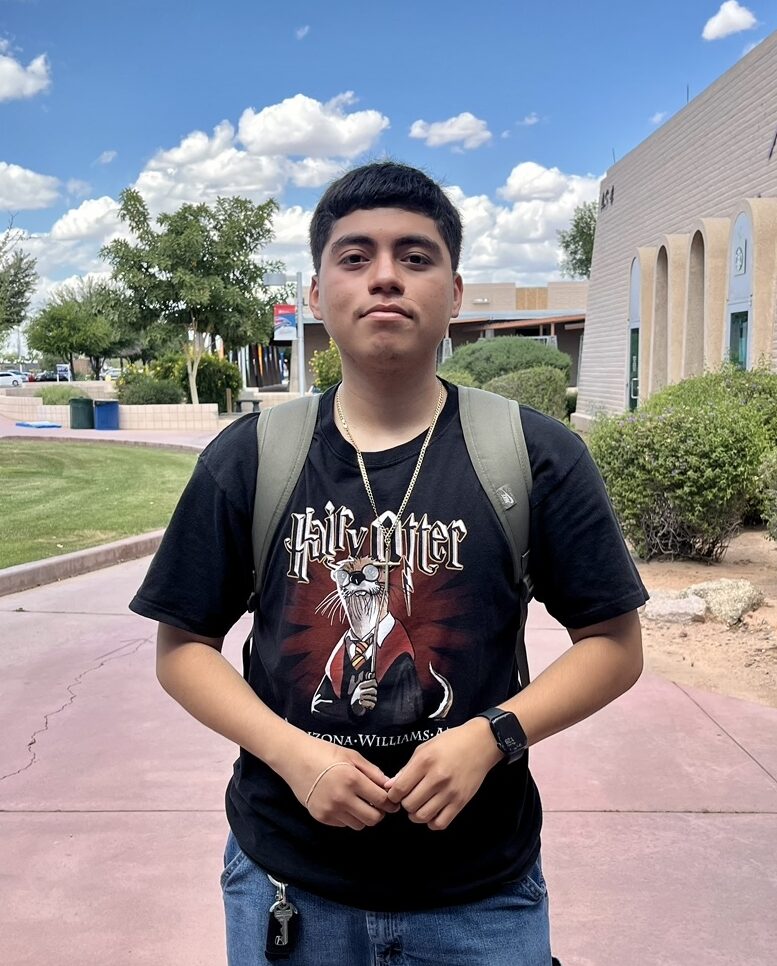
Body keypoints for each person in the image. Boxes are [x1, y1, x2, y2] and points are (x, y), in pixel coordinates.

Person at [130, 161, 648, 966]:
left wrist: (491, 737)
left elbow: (614, 646)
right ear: (315, 294)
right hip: (289, 885)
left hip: (479, 893)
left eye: (414, 256)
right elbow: (182, 648)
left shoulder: (535, 455)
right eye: (354, 255)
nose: (384, 278)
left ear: (455, 290)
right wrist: (296, 756)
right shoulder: (250, 458)